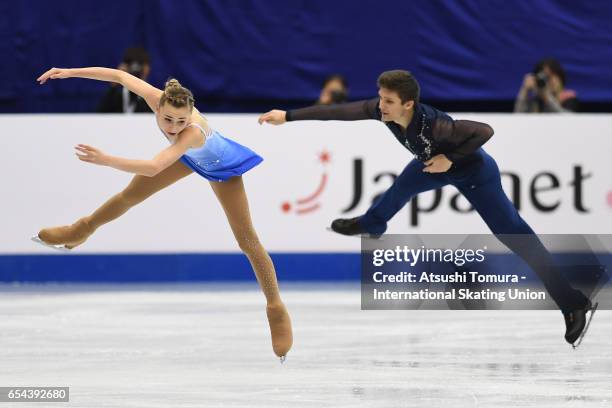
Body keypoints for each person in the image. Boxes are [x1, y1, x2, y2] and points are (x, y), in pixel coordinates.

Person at [259, 69, 594, 347]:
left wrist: (451, 159)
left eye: (389, 102)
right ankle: (374, 224)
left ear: (408, 104)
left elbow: (484, 131)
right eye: (380, 98)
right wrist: (287, 116)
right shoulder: (381, 111)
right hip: (431, 165)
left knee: (517, 237)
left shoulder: (436, 126)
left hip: (474, 173)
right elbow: (337, 113)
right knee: (401, 187)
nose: (381, 106)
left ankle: (572, 301)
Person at [34, 66, 292, 359]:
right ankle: (81, 229)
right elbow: (119, 77)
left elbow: (155, 166)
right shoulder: (155, 97)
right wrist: (69, 72)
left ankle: (275, 307)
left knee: (247, 240)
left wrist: (107, 160)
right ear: (159, 107)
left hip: (221, 166)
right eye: (168, 119)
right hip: (188, 159)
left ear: (190, 115)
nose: (172, 126)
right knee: (130, 195)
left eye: (180, 121)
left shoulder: (190, 134)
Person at [97, 47, 153, 113]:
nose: (135, 70)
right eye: (131, 66)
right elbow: (100, 113)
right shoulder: (116, 95)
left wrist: (143, 83)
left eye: (140, 66)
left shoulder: (151, 94)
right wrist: (116, 80)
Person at [514, 58, 578, 113]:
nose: (551, 81)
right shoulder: (535, 100)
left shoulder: (569, 98)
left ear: (560, 77)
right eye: (546, 77)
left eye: (553, 75)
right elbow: (517, 119)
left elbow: (568, 119)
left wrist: (547, 97)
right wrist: (524, 90)